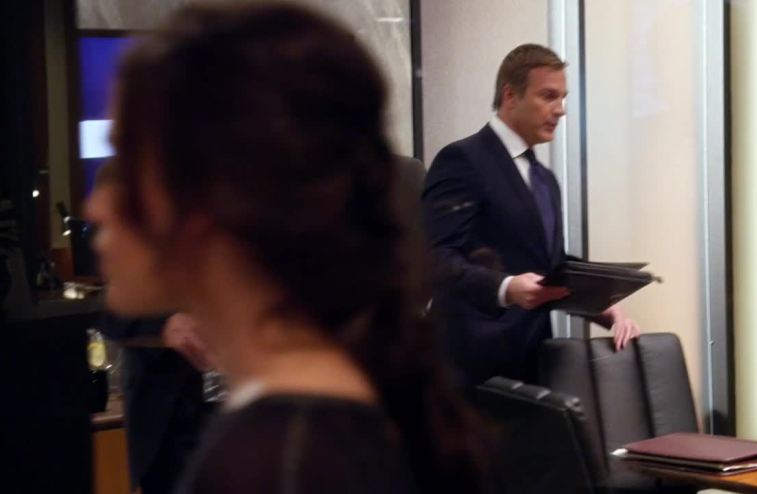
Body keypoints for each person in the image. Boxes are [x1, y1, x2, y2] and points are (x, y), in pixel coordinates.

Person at [86, 4, 492, 494]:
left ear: (212, 197)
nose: (97, 206)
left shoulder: (280, 461)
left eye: (130, 163)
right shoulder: (312, 428)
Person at [422, 44, 641, 387]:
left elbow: (549, 265)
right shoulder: (462, 160)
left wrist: (606, 306)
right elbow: (434, 258)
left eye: (563, 98)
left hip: (532, 363)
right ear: (510, 95)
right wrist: (506, 288)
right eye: (549, 96)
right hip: (470, 371)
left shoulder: (544, 179)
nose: (560, 110)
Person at [90, 164, 214, 494]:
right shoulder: (136, 200)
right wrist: (164, 326)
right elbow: (104, 309)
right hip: (168, 417)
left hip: (239, 406)